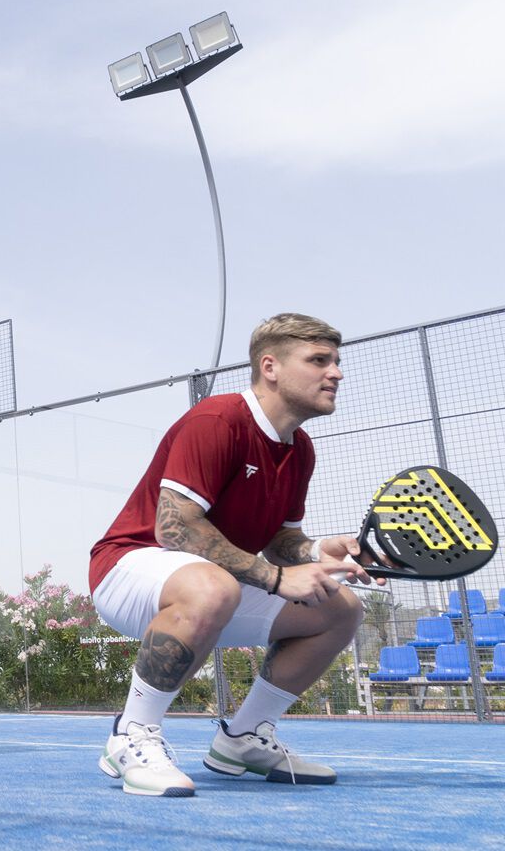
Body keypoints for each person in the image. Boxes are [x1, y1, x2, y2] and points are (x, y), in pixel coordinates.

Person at [89, 312, 386, 797]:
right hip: (129, 567)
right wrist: (275, 578)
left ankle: (244, 739)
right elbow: (175, 527)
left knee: (339, 608)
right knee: (213, 585)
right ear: (270, 367)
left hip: (214, 582)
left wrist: (315, 550)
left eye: (336, 361)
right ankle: (130, 735)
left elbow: (281, 541)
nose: (336, 372)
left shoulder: (300, 448)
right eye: (319, 360)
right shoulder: (217, 419)